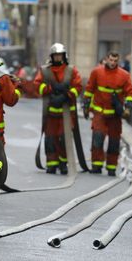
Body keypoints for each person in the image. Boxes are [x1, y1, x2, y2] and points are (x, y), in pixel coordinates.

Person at [33, 43, 82, 174]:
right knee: (50, 139)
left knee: (64, 139)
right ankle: (51, 164)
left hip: (66, 112)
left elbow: (78, 87)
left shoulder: (71, 70)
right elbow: (37, 85)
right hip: (50, 112)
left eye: (60, 55)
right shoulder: (45, 70)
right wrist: (49, 89)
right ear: (52, 56)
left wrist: (67, 95)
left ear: (64, 56)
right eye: (55, 55)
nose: (58, 57)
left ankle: (63, 163)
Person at [84, 51, 132, 176]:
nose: (112, 63)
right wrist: (86, 106)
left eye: (115, 61)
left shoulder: (124, 75)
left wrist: (127, 107)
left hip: (115, 115)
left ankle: (111, 167)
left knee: (114, 141)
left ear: (118, 61)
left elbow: (130, 93)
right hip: (99, 113)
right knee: (97, 139)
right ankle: (96, 165)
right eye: (111, 60)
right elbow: (89, 89)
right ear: (106, 59)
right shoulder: (96, 72)